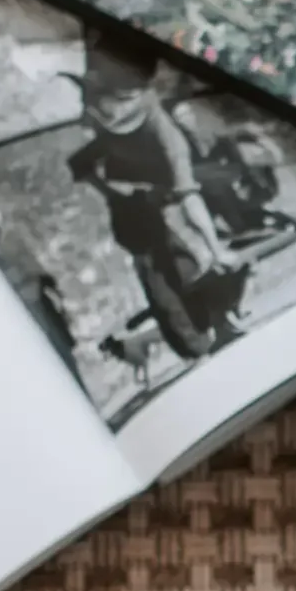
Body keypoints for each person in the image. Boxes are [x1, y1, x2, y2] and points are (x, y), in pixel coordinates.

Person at [67, 47, 248, 361]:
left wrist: (215, 249)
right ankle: (197, 343)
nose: (107, 113)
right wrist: (113, 192)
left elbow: (189, 196)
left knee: (190, 267)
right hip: (135, 214)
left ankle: (218, 325)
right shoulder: (101, 96)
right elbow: (81, 163)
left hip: (168, 206)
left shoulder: (167, 138)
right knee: (163, 287)